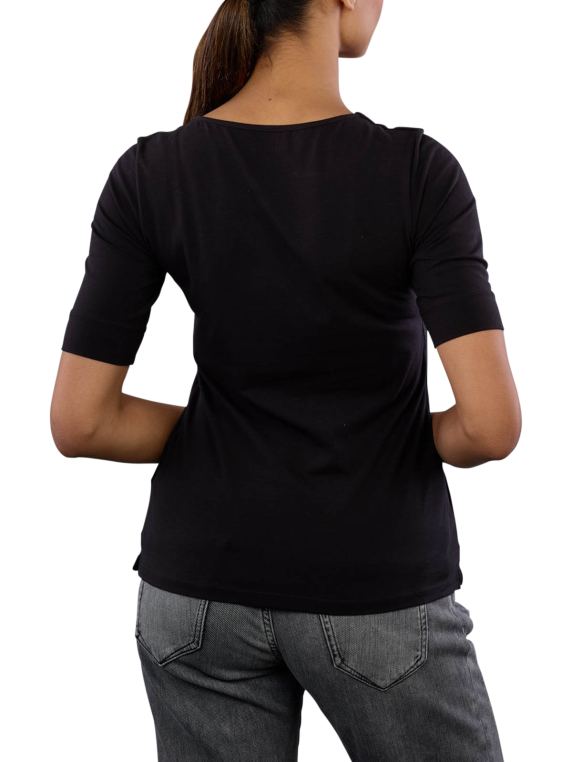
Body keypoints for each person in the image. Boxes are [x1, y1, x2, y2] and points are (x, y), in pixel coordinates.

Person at [50, 0, 521, 759]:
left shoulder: (149, 170)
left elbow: (82, 424)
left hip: (194, 593)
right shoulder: (417, 169)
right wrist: (406, 435)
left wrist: (231, 433)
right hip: (373, 580)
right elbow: (491, 428)